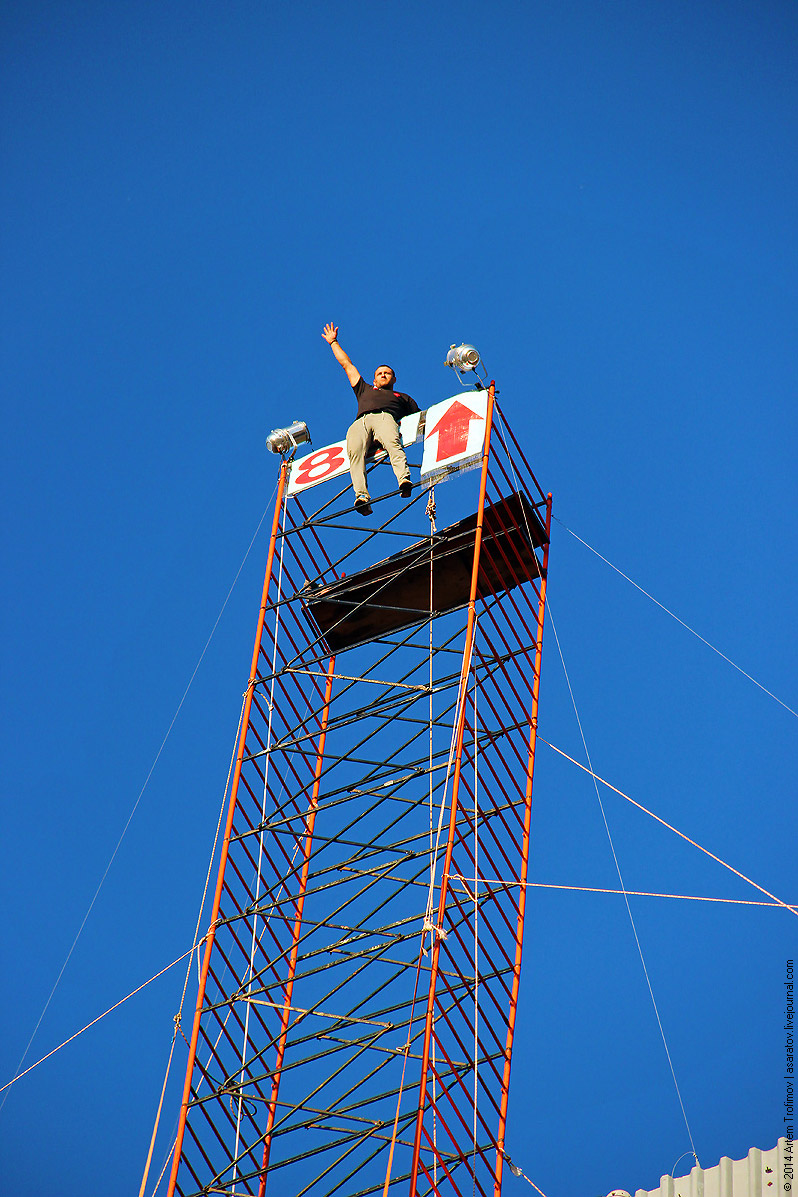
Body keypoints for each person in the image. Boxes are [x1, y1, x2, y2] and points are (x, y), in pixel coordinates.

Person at [322, 322, 419, 516]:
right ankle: (362, 497)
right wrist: (333, 342)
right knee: (355, 454)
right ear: (374, 380)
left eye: (387, 373)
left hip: (385, 418)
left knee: (393, 444)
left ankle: (404, 480)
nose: (383, 375)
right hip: (361, 422)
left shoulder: (403, 397)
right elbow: (347, 365)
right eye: (379, 373)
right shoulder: (364, 389)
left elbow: (419, 419)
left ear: (393, 379)